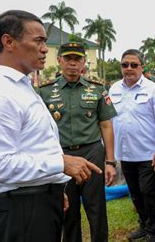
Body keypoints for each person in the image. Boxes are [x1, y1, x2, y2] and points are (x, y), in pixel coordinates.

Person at [0, 9, 101, 242]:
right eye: (38, 40)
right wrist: (60, 164)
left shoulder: (20, 87)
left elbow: (33, 145)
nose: (45, 49)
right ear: (9, 41)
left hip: (37, 200)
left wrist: (50, 187)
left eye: (45, 41)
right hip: (23, 208)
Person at [38, 42, 117, 242]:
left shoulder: (97, 89)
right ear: (59, 61)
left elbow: (106, 126)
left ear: (84, 62)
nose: (72, 64)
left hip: (92, 153)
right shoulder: (44, 92)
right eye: (68, 59)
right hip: (61, 156)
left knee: (96, 208)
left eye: (77, 59)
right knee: (67, 209)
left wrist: (110, 162)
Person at [109, 49, 155, 242]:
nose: (129, 68)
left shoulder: (154, 90)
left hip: (149, 154)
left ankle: (154, 232)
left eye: (134, 65)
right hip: (125, 154)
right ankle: (144, 226)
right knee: (135, 194)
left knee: (149, 193)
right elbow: (109, 121)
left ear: (142, 67)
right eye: (125, 65)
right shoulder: (114, 89)